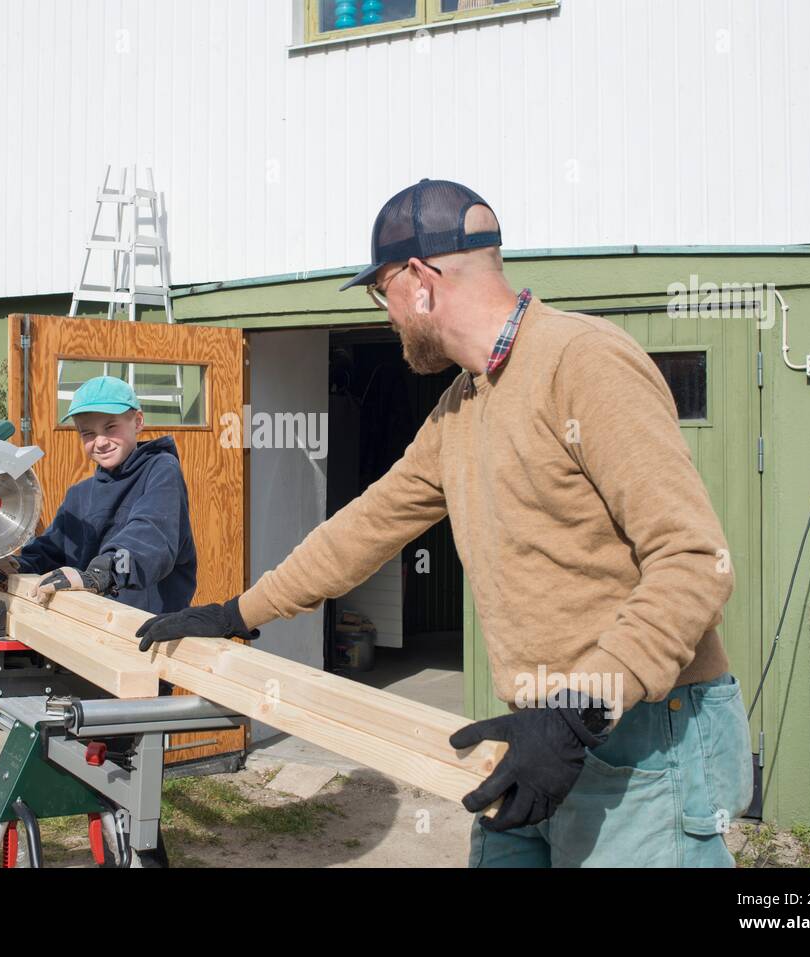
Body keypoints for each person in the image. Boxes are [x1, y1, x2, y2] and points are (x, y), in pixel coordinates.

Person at [135, 180, 752, 868]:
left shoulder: (584, 361)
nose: (389, 316)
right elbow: (366, 526)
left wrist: (581, 709)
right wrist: (237, 611)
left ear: (420, 281)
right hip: (537, 726)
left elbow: (695, 560)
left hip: (638, 732)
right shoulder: (462, 405)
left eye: (383, 294)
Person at [0, 375, 197, 615]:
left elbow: (151, 535)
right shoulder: (80, 495)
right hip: (93, 627)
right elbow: (52, 551)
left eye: (110, 427)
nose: (101, 442)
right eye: (88, 433)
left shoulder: (160, 470)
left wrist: (102, 572)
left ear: (138, 421)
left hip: (148, 626)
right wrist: (18, 566)